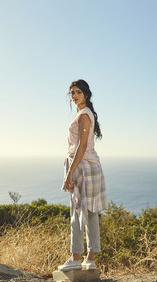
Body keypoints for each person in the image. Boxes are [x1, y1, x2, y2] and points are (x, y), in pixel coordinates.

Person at [58, 79, 108, 271]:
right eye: (72, 93)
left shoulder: (84, 115)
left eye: (78, 92)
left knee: (77, 212)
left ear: (86, 94)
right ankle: (91, 258)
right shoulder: (83, 114)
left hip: (82, 167)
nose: (75, 96)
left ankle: (75, 258)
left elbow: (82, 146)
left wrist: (70, 173)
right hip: (89, 165)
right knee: (90, 211)